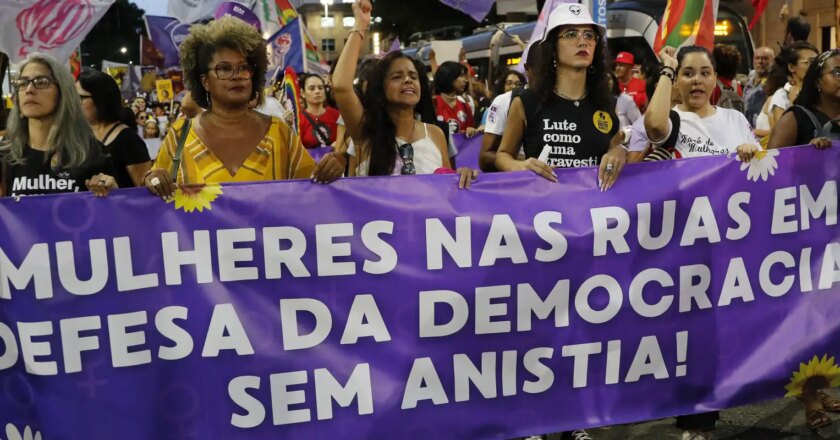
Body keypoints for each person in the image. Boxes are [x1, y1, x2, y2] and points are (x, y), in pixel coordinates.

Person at [645, 45, 763, 440]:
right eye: (688, 73)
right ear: (677, 81)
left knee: (718, 331)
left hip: (728, 245)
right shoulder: (675, 119)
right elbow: (654, 125)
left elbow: (763, 173)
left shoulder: (733, 119)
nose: (697, 80)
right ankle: (693, 420)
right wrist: (665, 68)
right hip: (683, 247)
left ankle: (705, 414)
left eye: (705, 73)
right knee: (687, 332)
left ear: (716, 79)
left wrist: (754, 153)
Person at [143, 17, 342, 198]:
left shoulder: (279, 132)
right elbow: (154, 191)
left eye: (244, 67)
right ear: (204, 82)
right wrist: (152, 180)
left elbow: (312, 193)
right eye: (224, 68)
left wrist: (333, 168)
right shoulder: (180, 135)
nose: (236, 75)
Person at [334, 0, 476, 189]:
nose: (408, 80)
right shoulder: (366, 133)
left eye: (413, 76)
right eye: (397, 76)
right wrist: (360, 25)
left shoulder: (435, 135)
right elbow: (341, 86)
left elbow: (447, 194)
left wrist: (462, 177)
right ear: (380, 88)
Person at [495, 3, 625, 192]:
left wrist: (619, 152)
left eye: (589, 35)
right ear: (553, 48)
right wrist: (520, 166)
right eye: (571, 34)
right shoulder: (526, 101)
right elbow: (502, 155)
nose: (583, 42)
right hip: (544, 210)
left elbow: (614, 149)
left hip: (593, 211)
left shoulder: (606, 103)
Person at [0, 53, 116, 198]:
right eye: (22, 83)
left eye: (41, 82)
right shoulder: (6, 153)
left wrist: (112, 193)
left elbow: (115, 214)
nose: (29, 89)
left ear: (63, 93)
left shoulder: (92, 153)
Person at [77, 68, 151, 187]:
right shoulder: (75, 135)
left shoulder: (129, 140)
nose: (74, 102)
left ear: (100, 99)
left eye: (80, 98)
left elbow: (142, 192)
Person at [768, 48, 840, 152]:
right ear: (817, 81)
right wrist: (808, 152)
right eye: (837, 73)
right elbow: (771, 163)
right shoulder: (794, 119)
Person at [766, 42, 819, 129]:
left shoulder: (822, 92)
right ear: (791, 67)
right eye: (809, 62)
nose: (815, 66)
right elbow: (782, 131)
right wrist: (792, 104)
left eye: (818, 61)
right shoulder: (782, 96)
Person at [433, 61, 477, 138]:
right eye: (462, 76)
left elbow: (471, 132)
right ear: (449, 76)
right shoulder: (433, 103)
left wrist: (471, 131)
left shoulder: (466, 106)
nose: (466, 80)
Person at [298, 73, 341, 149]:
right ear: (302, 93)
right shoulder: (299, 120)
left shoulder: (336, 115)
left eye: (320, 88)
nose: (317, 91)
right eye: (312, 88)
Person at [744, 46, 775, 127]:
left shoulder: (774, 85)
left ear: (773, 61)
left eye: (765, 58)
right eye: (757, 58)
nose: (760, 61)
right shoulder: (748, 83)